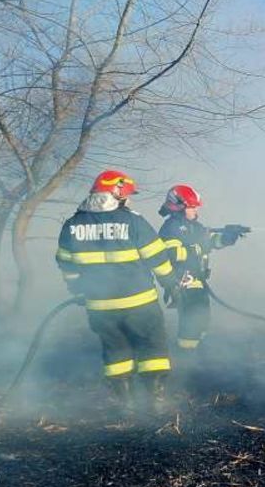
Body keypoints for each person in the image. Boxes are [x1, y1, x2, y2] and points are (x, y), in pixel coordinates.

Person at [56, 170, 178, 412]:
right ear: (116, 193)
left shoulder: (72, 225)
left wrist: (78, 289)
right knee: (152, 348)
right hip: (140, 302)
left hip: (100, 307)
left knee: (115, 350)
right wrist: (171, 284)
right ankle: (156, 401)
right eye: (126, 195)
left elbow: (66, 264)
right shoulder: (133, 221)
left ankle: (126, 404)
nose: (128, 200)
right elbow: (158, 258)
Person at [158, 184, 245, 351]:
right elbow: (172, 254)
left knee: (202, 315)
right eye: (192, 207)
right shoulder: (170, 228)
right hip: (182, 280)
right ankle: (186, 351)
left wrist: (227, 238)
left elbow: (210, 242)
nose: (195, 210)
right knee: (192, 317)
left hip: (197, 279)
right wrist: (198, 248)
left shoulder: (195, 226)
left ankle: (197, 347)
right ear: (179, 206)